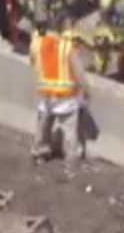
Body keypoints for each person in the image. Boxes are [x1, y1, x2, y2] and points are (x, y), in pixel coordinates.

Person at [30, 22, 86, 163]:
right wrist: (85, 90)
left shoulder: (39, 44)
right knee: (69, 129)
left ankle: (40, 153)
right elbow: (79, 72)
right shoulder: (67, 48)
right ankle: (71, 156)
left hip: (47, 94)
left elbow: (34, 64)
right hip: (65, 95)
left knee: (43, 125)